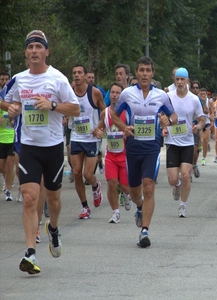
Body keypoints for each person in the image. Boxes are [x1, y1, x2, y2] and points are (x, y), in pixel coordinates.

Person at [6, 30, 80, 274]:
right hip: (28, 147)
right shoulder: (18, 79)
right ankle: (30, 252)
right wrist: (12, 107)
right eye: (30, 47)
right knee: (29, 197)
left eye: (39, 46)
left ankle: (54, 229)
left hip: (52, 148)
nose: (34, 51)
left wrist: (54, 105)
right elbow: (4, 100)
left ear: (46, 51)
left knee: (54, 200)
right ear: (26, 53)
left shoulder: (57, 79)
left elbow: (76, 109)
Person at [111, 56, 178, 248]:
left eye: (148, 70)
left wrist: (169, 121)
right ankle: (139, 207)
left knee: (148, 185)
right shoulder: (127, 94)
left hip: (152, 147)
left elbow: (173, 115)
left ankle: (145, 231)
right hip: (133, 147)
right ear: (137, 73)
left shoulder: (161, 96)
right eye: (141, 70)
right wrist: (124, 127)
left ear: (153, 73)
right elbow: (114, 114)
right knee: (134, 192)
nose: (145, 74)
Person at [163, 67, 205, 217]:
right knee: (172, 179)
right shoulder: (168, 97)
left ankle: (183, 205)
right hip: (172, 142)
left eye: (182, 79)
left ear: (187, 81)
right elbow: (161, 115)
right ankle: (177, 185)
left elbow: (202, 119)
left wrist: (198, 127)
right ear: (174, 80)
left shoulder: (194, 99)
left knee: (186, 175)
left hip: (187, 142)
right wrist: (164, 127)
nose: (180, 82)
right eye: (177, 79)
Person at [70, 64, 105, 219]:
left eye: (79, 73)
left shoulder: (94, 92)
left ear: (85, 75)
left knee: (87, 175)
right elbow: (65, 109)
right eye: (74, 73)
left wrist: (99, 128)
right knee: (76, 173)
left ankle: (96, 186)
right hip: (76, 137)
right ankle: (85, 207)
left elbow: (105, 112)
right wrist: (65, 118)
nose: (77, 75)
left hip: (90, 138)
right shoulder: (69, 92)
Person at [94, 82, 132, 223]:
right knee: (111, 183)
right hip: (110, 156)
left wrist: (127, 133)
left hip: (125, 155)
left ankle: (127, 194)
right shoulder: (105, 112)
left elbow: (133, 129)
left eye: (118, 93)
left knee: (124, 186)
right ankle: (115, 212)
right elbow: (99, 128)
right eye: (113, 93)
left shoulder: (127, 112)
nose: (115, 95)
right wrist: (98, 132)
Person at [199, 87, 212, 166]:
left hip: (207, 121)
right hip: (199, 122)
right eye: (201, 94)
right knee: (201, 139)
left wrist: (212, 119)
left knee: (205, 140)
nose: (202, 95)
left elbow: (211, 112)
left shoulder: (209, 102)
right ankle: (201, 146)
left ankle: (203, 158)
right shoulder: (196, 100)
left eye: (204, 94)